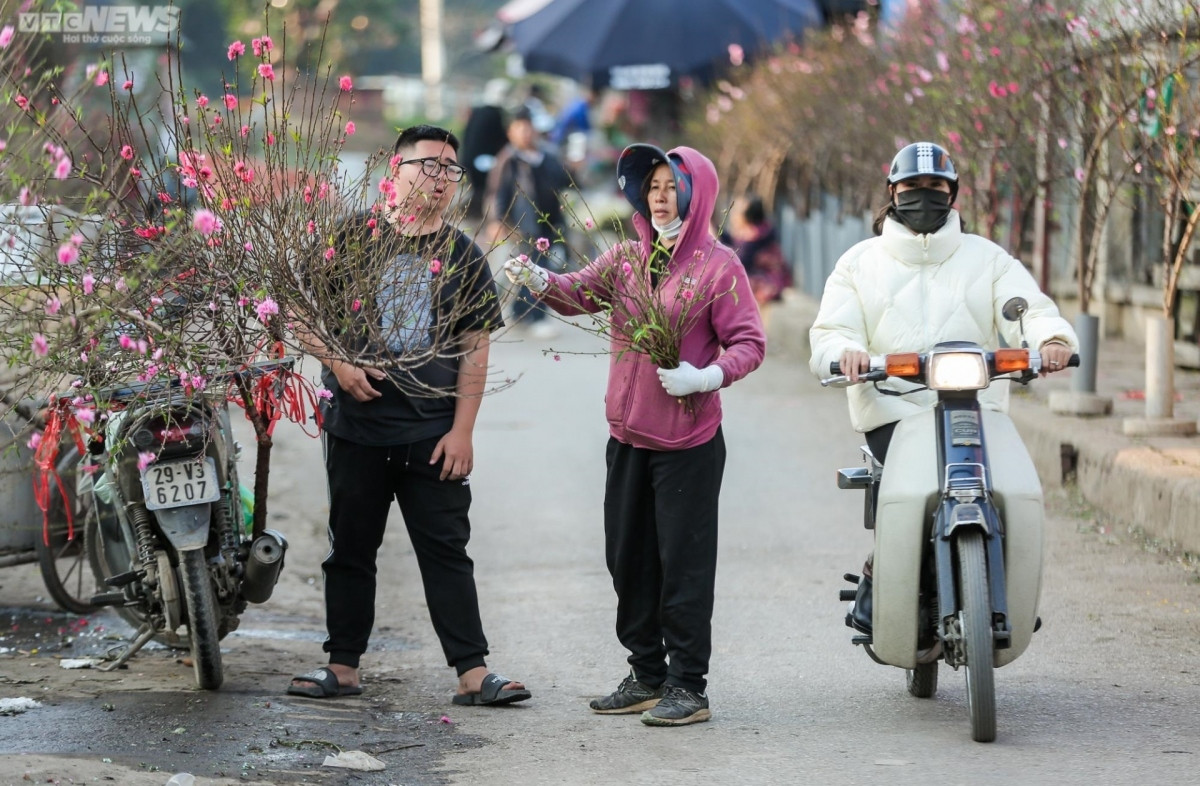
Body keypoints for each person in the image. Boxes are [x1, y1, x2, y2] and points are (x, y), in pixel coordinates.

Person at [503, 144, 766, 726]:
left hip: (688, 445)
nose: (663, 197)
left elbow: (750, 342)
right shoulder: (626, 258)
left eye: (673, 187)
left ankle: (687, 687)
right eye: (653, 188)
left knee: (683, 567)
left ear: (697, 194)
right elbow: (577, 294)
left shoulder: (720, 267)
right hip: (627, 437)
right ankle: (646, 674)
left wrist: (708, 374)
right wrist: (537, 278)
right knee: (628, 561)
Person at [287, 125, 531, 707]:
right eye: (429, 165)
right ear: (393, 172)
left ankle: (473, 674)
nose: (441, 178)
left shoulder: (464, 255)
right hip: (357, 430)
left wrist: (463, 431)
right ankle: (342, 665)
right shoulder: (351, 238)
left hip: (431, 433)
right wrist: (338, 363)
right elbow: (296, 310)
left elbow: (476, 345)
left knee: (446, 550)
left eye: (451, 170)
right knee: (350, 548)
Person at [807, 141, 1079, 633]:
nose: (923, 195)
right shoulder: (858, 264)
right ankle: (882, 575)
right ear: (892, 192)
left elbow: (1026, 308)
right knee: (908, 495)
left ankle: (1008, 587)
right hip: (895, 409)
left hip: (977, 409)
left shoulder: (988, 259)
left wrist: (1051, 339)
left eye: (936, 186)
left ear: (953, 194)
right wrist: (845, 353)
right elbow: (832, 331)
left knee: (1013, 491)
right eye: (912, 186)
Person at [486, 106, 572, 339]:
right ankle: (536, 317)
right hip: (523, 227)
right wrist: (497, 221)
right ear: (511, 132)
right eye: (519, 128)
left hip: (551, 224)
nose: (525, 133)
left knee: (533, 270)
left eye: (528, 127)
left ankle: (519, 311)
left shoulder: (548, 157)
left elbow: (564, 180)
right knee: (534, 270)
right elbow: (498, 193)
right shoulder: (508, 161)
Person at [721, 195, 792, 309]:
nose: (733, 216)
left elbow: (739, 261)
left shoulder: (754, 236)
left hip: (769, 284)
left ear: (746, 217)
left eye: (737, 212)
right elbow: (733, 241)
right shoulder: (760, 231)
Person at [459, 79, 511, 222]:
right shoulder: (495, 115)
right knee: (484, 189)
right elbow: (502, 140)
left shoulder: (477, 112)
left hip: (469, 159)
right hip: (482, 162)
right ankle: (478, 214)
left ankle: (474, 213)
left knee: (477, 189)